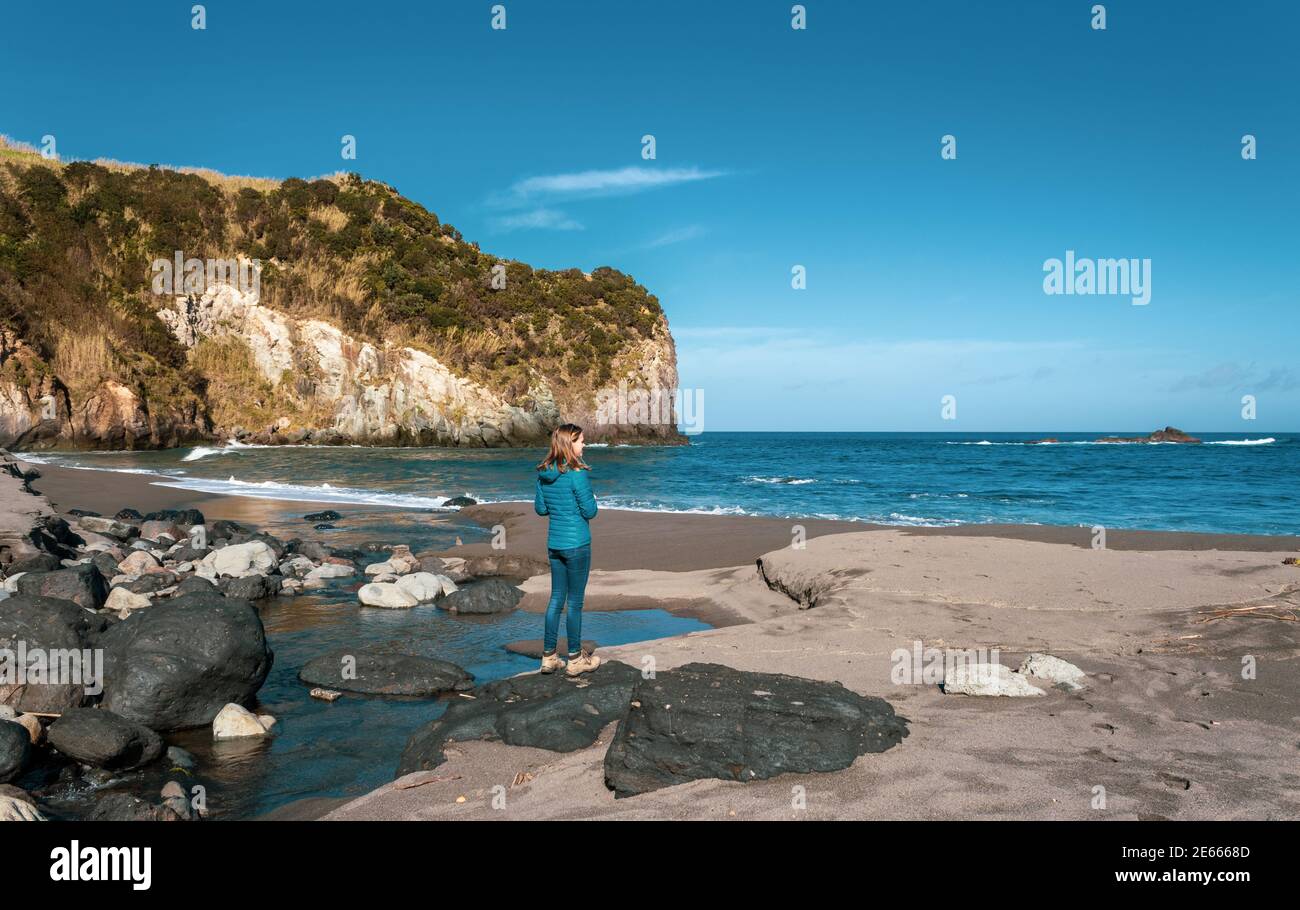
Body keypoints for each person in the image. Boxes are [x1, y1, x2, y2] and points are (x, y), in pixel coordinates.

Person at [534, 423, 600, 676]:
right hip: (577, 545)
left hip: (555, 545)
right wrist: (592, 499)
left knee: (555, 599)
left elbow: (541, 509)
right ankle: (574, 659)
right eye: (581, 441)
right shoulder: (577, 473)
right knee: (574, 603)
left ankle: (549, 656)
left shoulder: (543, 472)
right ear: (569, 443)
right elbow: (590, 512)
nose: (584, 445)